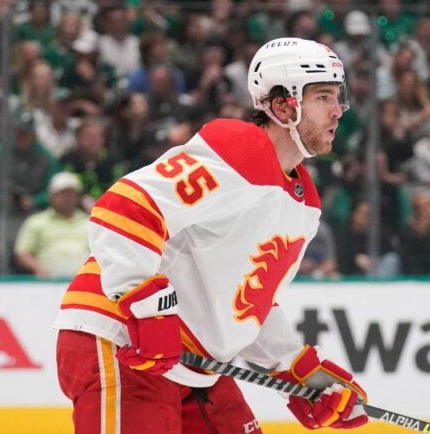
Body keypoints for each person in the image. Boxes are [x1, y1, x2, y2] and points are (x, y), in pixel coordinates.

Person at [53, 37, 368, 433]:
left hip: (190, 366)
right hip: (123, 341)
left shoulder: (304, 204)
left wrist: (303, 374)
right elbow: (126, 208)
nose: (338, 111)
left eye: (338, 97)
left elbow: (248, 300)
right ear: (282, 104)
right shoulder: (239, 150)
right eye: (323, 97)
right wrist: (147, 311)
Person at [14, 172, 90, 278]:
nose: (67, 198)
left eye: (71, 193)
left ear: (78, 197)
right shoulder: (36, 222)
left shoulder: (89, 222)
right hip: (46, 284)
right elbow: (22, 253)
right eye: (62, 193)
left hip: (85, 283)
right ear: (51, 196)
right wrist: (37, 268)